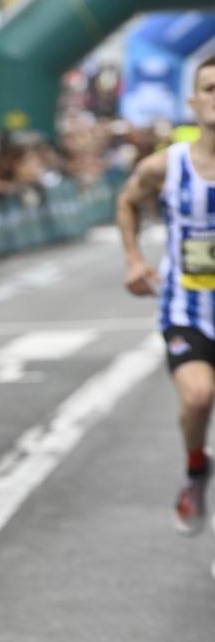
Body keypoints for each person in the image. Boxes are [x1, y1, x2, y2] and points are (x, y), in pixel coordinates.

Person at [118, 53, 215, 550]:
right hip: (188, 309)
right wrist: (135, 260)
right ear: (193, 100)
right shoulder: (166, 166)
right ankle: (196, 468)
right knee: (198, 397)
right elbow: (127, 200)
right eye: (210, 88)